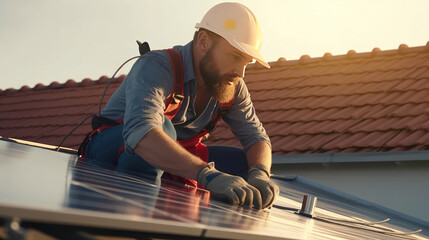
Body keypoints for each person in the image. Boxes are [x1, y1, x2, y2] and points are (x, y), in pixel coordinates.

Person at [81, 2, 279, 210]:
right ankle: (135, 219)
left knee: (244, 164)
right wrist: (207, 174)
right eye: (235, 56)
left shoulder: (232, 85)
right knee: (164, 130)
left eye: (247, 63)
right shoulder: (158, 66)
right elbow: (141, 134)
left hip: (172, 155)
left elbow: (257, 138)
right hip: (114, 149)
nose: (241, 72)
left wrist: (260, 173)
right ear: (204, 41)